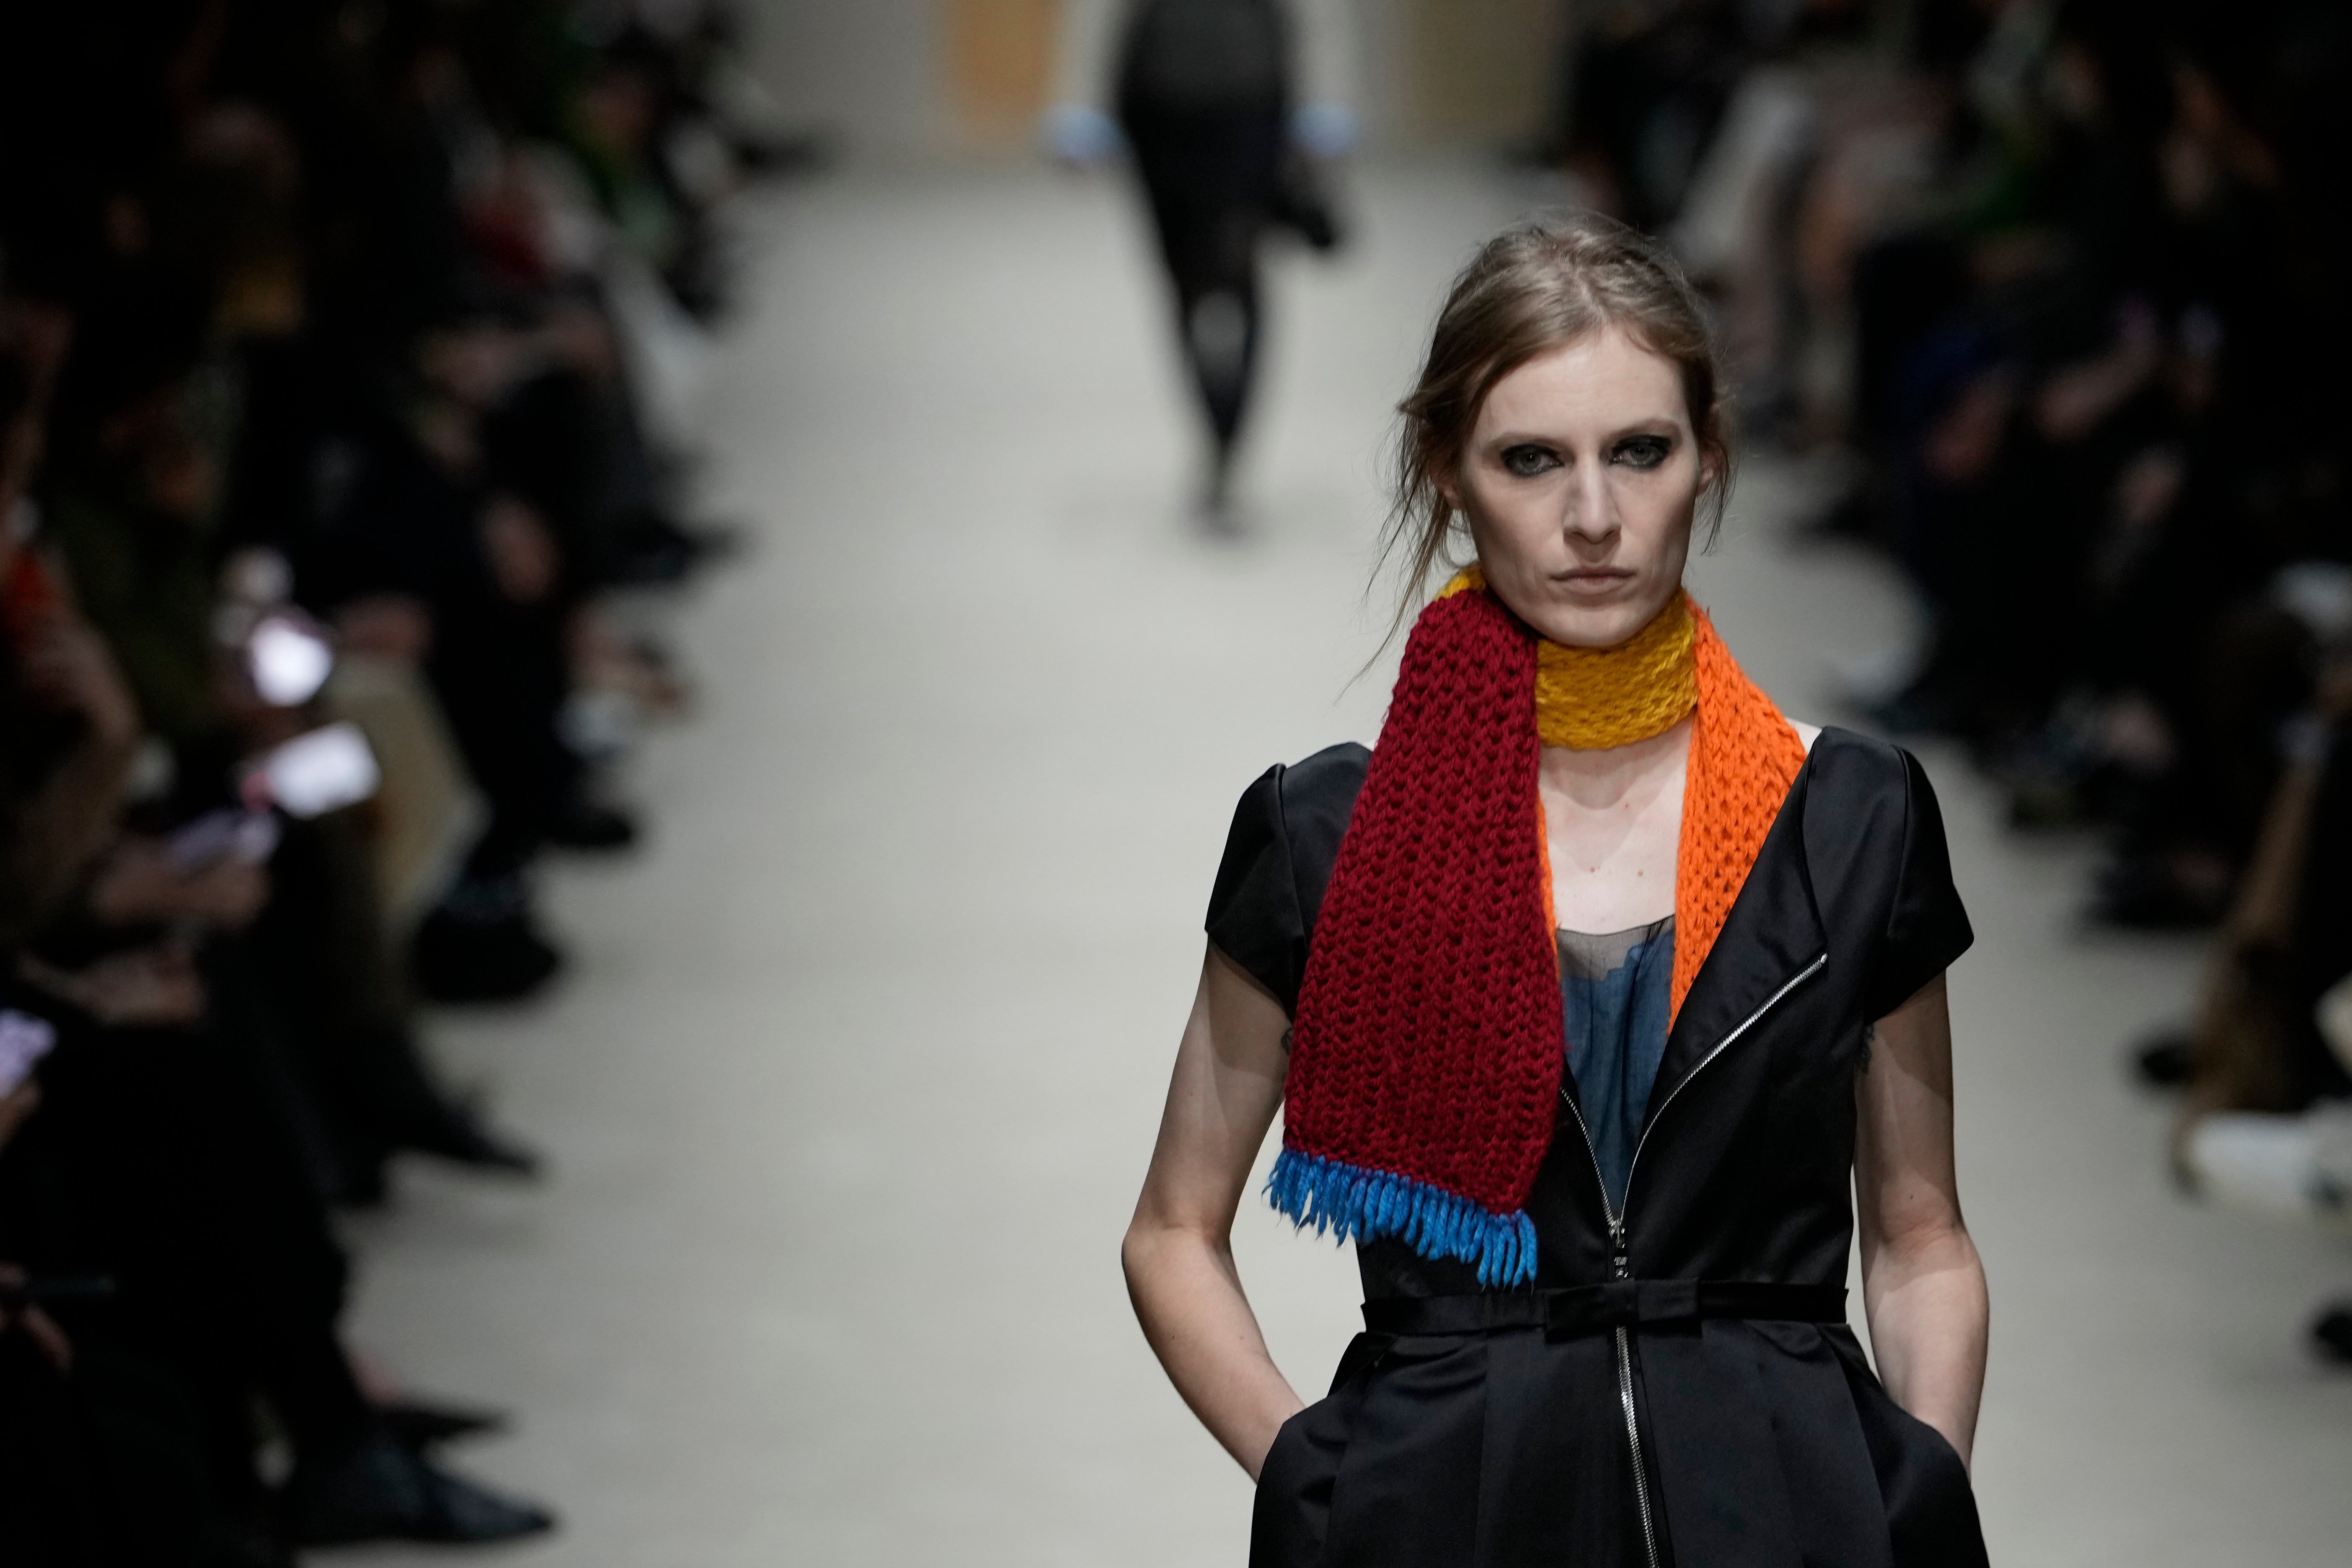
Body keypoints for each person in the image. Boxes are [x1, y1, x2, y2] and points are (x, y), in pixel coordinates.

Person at [1123, 217, 1992, 1565]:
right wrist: (1324, 1488)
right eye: (1531, 459)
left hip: (1788, 1513)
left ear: (1709, 455)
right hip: (1452, 1512)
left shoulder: (1850, 817)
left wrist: (1916, 1496)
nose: (1594, 516)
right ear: (1447, 472)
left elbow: (1921, 1233)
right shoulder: (1323, 837)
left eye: (1639, 450)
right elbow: (1175, 1229)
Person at [1049, 0, 1356, 530]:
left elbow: (1317, 12)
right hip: (1158, 111)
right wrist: (1077, 106)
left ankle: (1228, 443)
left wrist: (1327, 103)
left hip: (1251, 106)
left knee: (1242, 272)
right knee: (1184, 282)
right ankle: (1215, 435)